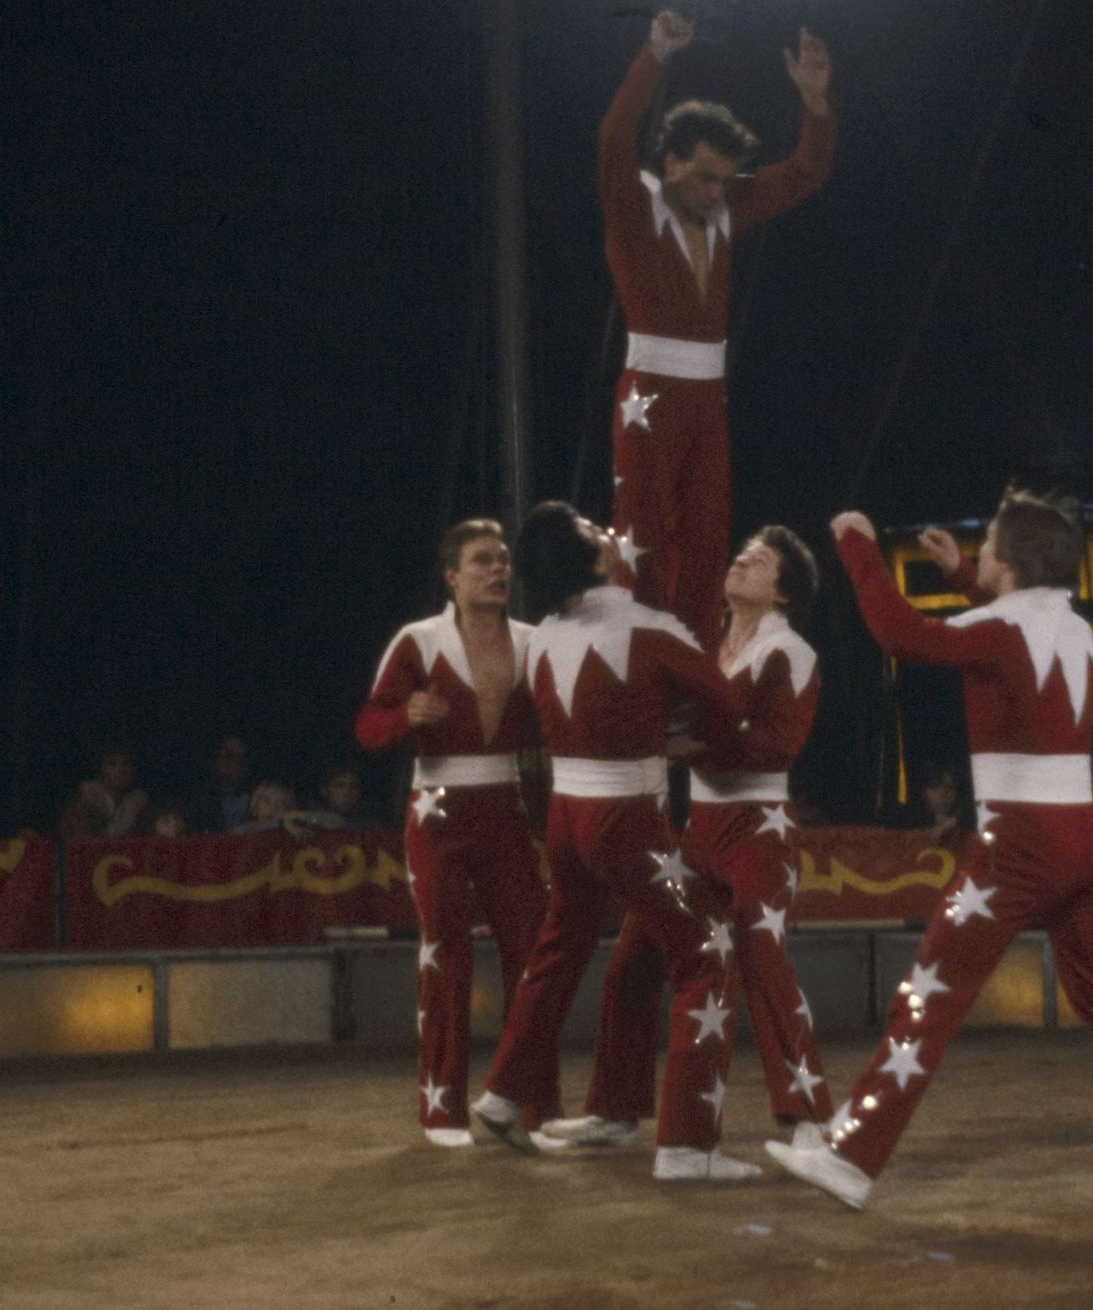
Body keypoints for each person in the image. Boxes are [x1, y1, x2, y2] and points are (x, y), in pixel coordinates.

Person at [768, 490, 1093, 1212]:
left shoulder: (1000, 629)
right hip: (1083, 836)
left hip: (1019, 841)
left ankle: (851, 1156)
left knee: (931, 993)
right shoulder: (1075, 629)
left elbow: (899, 633)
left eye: (991, 547)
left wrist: (856, 540)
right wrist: (967, 577)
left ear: (1008, 562)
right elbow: (1013, 637)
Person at [469, 502, 756, 1183]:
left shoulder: (540, 636)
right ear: (594, 556)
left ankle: (508, 1093)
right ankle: (688, 1142)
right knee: (705, 956)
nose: (613, 534)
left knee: (559, 946)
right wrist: (689, 741)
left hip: (567, 817)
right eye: (599, 531)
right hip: (625, 815)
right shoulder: (645, 628)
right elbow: (725, 703)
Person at [553, 526, 837, 1153]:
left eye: (758, 561)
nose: (739, 562)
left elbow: (776, 746)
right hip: (701, 829)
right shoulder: (705, 646)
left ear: (784, 593)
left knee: (760, 952)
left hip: (759, 828)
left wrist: (695, 747)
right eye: (739, 554)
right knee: (635, 959)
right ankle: (613, 1112)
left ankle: (809, 1116)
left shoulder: (791, 652)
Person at [602, 8, 835, 645]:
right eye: (703, 176)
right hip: (650, 390)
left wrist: (814, 100)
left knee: (708, 541)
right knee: (644, 539)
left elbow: (806, 174)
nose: (714, 191)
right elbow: (615, 141)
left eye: (723, 179)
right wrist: (654, 56)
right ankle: (645, 667)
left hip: (708, 400)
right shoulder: (635, 205)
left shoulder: (726, 203)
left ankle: (694, 677)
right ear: (670, 162)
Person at [356, 519, 553, 1150]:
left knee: (534, 955)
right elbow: (368, 726)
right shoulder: (418, 641)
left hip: (507, 807)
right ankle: (442, 1109)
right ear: (452, 576)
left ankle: (534, 1107)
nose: (498, 570)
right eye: (481, 561)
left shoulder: (533, 642)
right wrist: (404, 716)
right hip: (437, 809)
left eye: (503, 561)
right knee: (445, 955)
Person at [59, 746, 147, 838]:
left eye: (126, 764)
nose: (120, 770)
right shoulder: (85, 799)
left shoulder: (139, 802)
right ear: (101, 768)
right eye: (111, 764)